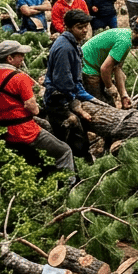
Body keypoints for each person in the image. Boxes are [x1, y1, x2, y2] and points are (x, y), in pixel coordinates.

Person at [0, 39, 75, 179]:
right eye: (20, 55)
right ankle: (69, 185)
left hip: (2, 131)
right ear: (10, 58)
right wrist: (40, 111)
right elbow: (32, 108)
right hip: (25, 131)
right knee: (64, 151)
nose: (23, 58)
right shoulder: (20, 78)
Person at [42, 9, 96, 163]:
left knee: (78, 141)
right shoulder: (65, 48)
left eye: (86, 26)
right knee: (75, 144)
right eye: (80, 27)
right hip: (59, 102)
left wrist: (86, 96)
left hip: (66, 97)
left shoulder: (73, 43)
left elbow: (75, 79)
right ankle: (77, 173)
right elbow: (63, 82)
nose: (84, 30)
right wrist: (77, 99)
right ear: (69, 27)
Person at [81, 15, 138, 108]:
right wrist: (110, 87)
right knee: (99, 106)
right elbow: (105, 69)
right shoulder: (124, 43)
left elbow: (117, 68)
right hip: (87, 68)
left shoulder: (127, 36)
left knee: (109, 103)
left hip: (93, 66)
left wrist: (123, 95)